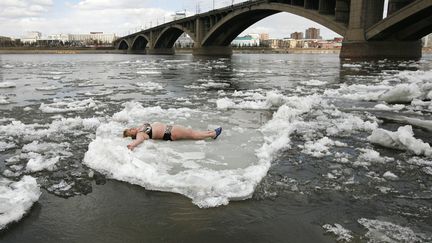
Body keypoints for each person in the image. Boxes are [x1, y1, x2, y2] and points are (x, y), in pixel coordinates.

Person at [123, 122, 223, 151]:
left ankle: (210, 133)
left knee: (191, 132)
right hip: (170, 132)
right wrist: (132, 145)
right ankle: (213, 134)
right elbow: (138, 141)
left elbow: (147, 124)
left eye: (130, 129)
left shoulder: (141, 128)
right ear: (133, 135)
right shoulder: (140, 134)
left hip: (171, 130)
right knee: (192, 134)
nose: (132, 130)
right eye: (131, 132)